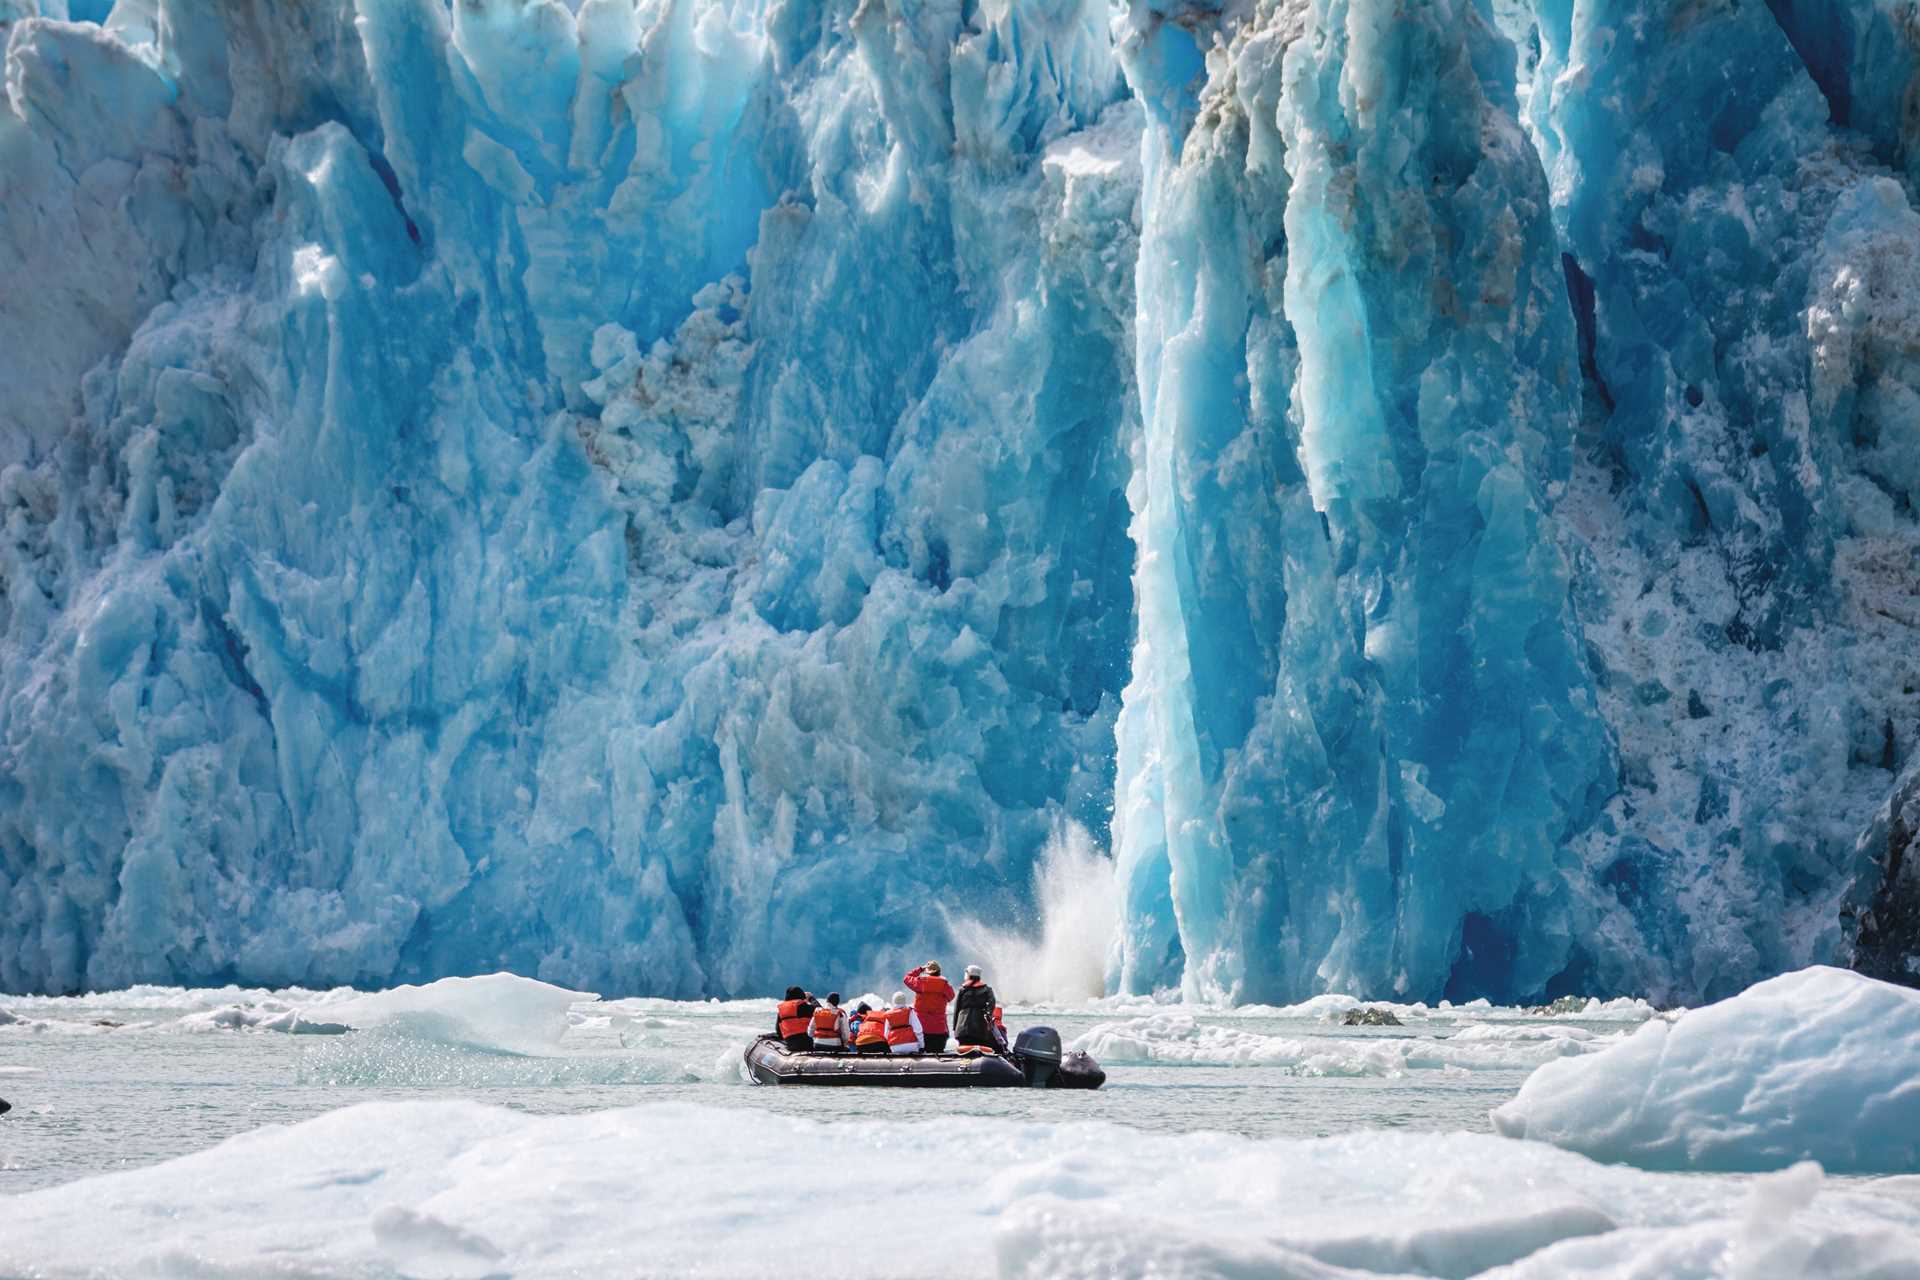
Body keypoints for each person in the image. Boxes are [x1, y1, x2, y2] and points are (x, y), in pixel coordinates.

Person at [903, 960, 954, 1053]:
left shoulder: (920, 982)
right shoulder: (945, 985)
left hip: (922, 1029)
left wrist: (920, 969)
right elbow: (951, 996)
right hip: (939, 1029)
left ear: (927, 971)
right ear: (939, 972)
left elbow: (906, 978)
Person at [951, 964, 1001, 1051]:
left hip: (962, 1027)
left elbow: (957, 1009)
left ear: (968, 974)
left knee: (964, 1051)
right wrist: (989, 1024)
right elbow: (991, 1007)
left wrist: (955, 1027)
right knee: (979, 1052)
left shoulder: (962, 989)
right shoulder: (987, 989)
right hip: (979, 1027)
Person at [775, 986, 818, 1051]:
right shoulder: (803, 1006)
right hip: (806, 1043)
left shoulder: (782, 1009)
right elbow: (820, 1012)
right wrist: (811, 998)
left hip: (790, 1044)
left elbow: (778, 1031)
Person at [882, 991, 924, 1055]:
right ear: (904, 1001)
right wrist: (921, 1046)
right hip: (911, 1045)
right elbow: (918, 1030)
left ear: (893, 1001)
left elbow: (886, 1035)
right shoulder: (910, 1012)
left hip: (895, 1047)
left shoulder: (888, 1015)